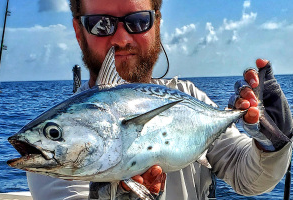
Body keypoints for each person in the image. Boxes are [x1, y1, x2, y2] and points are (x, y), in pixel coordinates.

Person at [27, 0, 293, 199]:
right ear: (78, 30)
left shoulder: (188, 98)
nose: (121, 39)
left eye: (138, 20)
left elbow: (251, 179)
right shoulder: (53, 155)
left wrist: (273, 143)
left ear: (157, 24)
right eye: (100, 23)